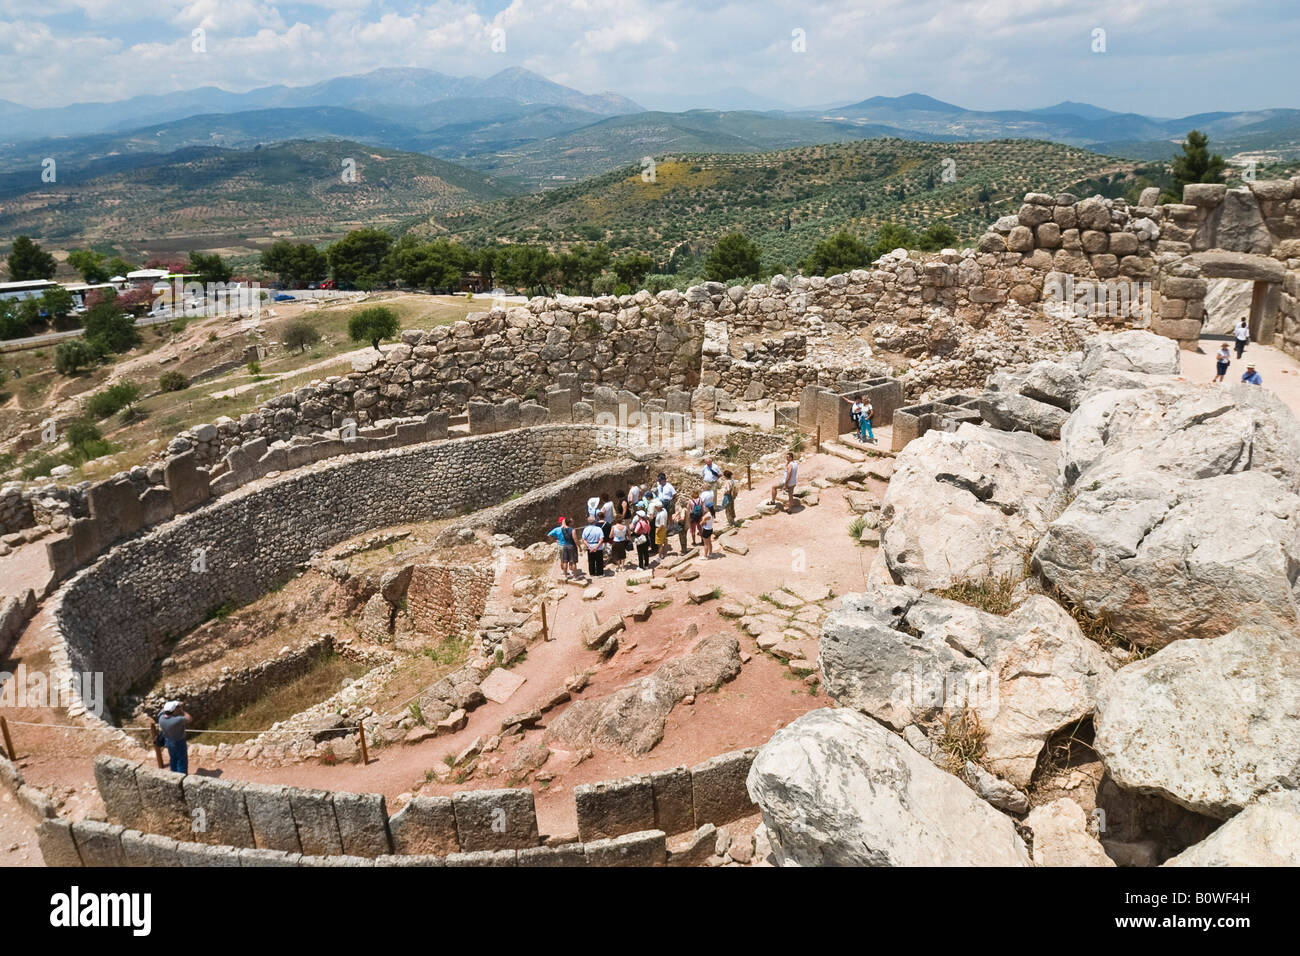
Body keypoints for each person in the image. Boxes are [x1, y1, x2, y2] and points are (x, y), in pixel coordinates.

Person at [157, 700, 191, 774]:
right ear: (174, 710)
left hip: (168, 741)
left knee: (173, 758)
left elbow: (162, 712)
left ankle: (173, 774)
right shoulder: (177, 720)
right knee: (181, 760)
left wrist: (172, 707)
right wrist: (181, 710)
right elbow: (189, 718)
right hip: (179, 742)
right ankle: (182, 776)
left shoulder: (161, 718)